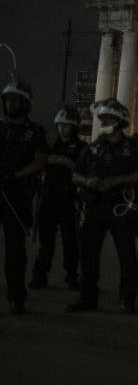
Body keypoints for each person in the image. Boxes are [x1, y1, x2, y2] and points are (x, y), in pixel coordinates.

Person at [66, 99, 138, 314]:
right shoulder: (94, 148)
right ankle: (88, 297)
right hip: (95, 205)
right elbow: (76, 173)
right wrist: (87, 182)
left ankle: (128, 298)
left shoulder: (132, 147)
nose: (104, 121)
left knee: (126, 254)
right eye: (102, 118)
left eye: (108, 118)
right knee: (88, 253)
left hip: (122, 206)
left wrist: (116, 181)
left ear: (119, 121)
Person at [0, 81, 48, 314]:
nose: (10, 103)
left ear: (25, 103)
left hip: (17, 196)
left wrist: (14, 175)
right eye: (7, 99)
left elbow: (39, 162)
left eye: (14, 99)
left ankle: (16, 296)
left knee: (15, 251)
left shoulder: (35, 132)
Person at [30, 106, 82, 291]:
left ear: (74, 127)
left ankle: (72, 277)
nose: (62, 129)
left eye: (66, 125)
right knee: (46, 242)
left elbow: (85, 171)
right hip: (49, 198)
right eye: (60, 125)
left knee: (71, 242)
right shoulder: (50, 146)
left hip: (68, 199)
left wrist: (68, 163)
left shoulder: (81, 148)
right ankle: (40, 275)